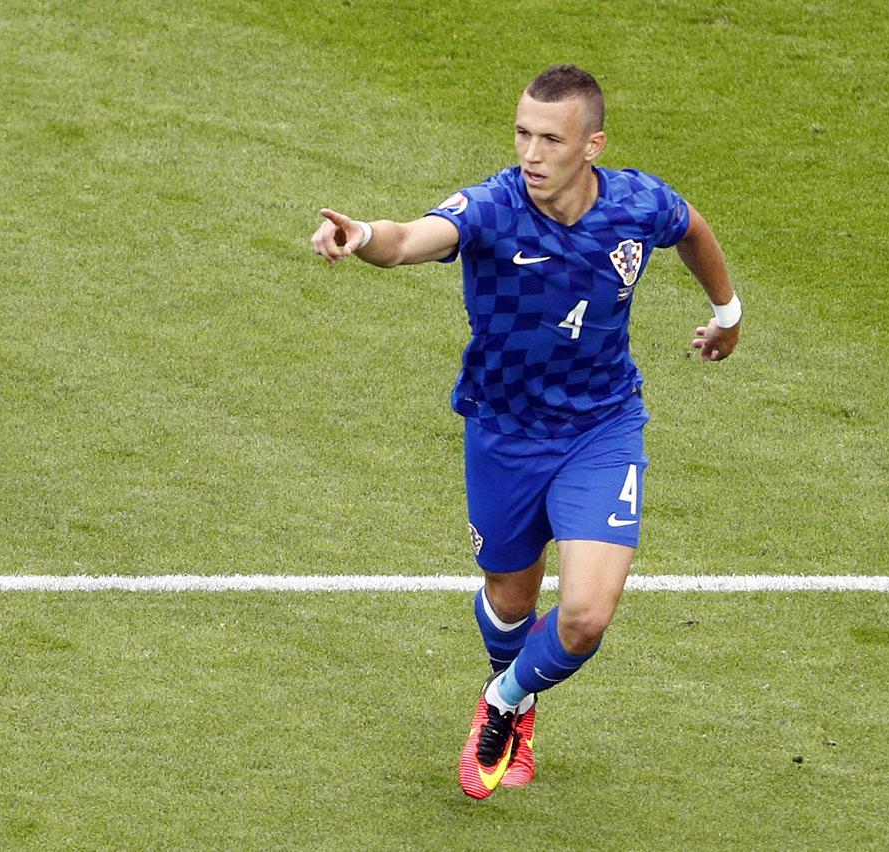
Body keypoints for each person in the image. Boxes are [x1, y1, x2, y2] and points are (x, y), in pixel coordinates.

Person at [311, 64, 740, 799]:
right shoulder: (494, 209)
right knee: (512, 599)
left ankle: (505, 702)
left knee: (583, 616)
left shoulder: (637, 204)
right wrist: (364, 236)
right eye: (521, 134)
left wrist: (728, 312)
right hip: (503, 431)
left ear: (592, 144)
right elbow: (415, 237)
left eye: (549, 138)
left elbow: (691, 228)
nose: (531, 154)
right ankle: (516, 685)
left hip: (601, 427)